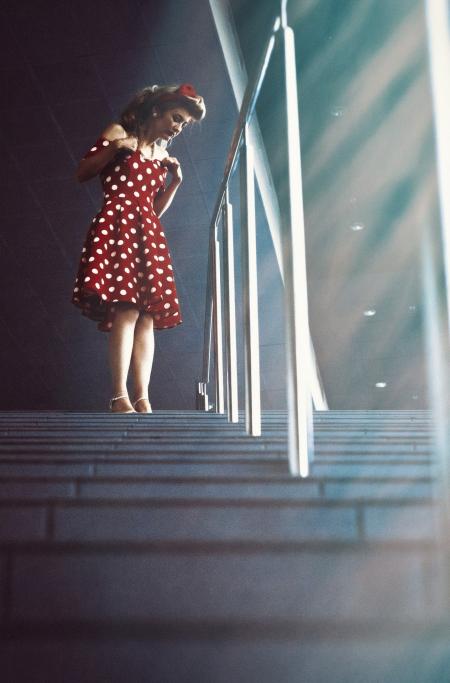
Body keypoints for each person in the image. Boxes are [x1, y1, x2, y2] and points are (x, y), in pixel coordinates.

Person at [72, 84, 206, 413]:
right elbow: (84, 172)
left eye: (184, 124)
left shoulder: (162, 156)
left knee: (148, 316)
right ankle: (119, 395)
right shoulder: (120, 131)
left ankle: (143, 397)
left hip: (147, 231)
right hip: (117, 223)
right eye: (177, 118)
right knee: (127, 309)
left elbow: (152, 208)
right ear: (157, 109)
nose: (178, 127)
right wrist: (118, 146)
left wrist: (175, 182)